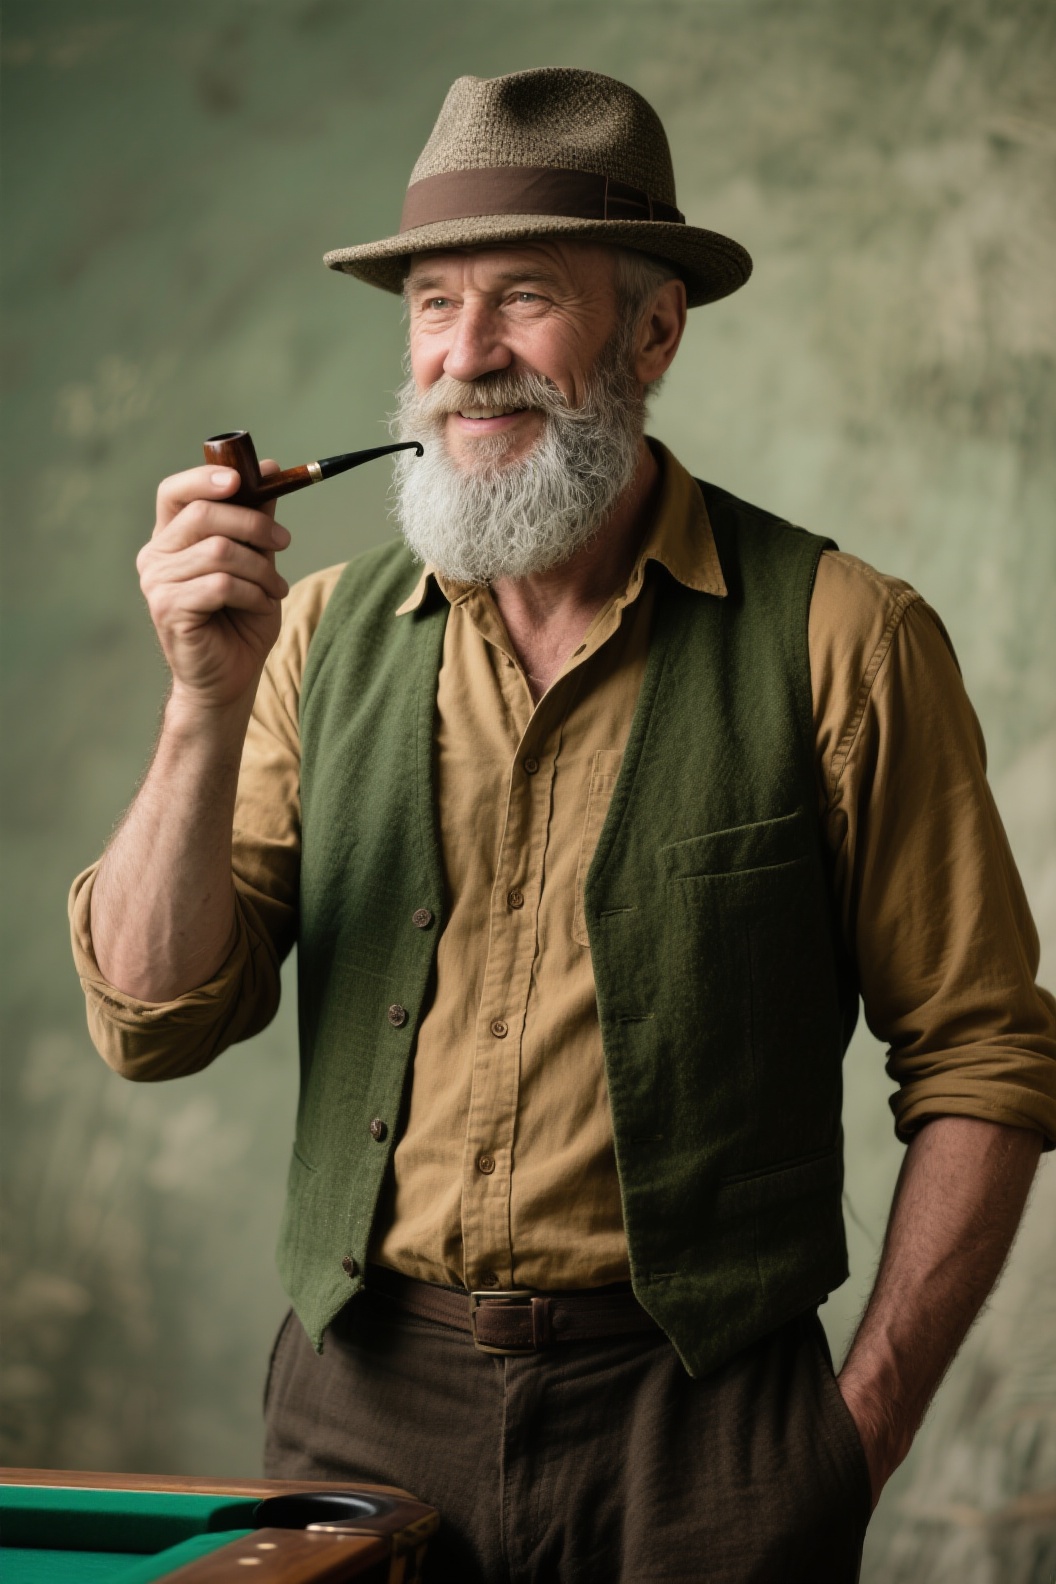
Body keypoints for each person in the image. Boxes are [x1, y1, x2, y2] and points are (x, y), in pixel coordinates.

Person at [70, 68, 1055, 1583]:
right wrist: (203, 702)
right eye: (432, 305)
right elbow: (152, 1019)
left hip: (706, 1433)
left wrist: (854, 1433)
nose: (467, 357)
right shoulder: (313, 641)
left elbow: (986, 1052)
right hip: (358, 1408)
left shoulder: (843, 638)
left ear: (654, 330)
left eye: (524, 297)